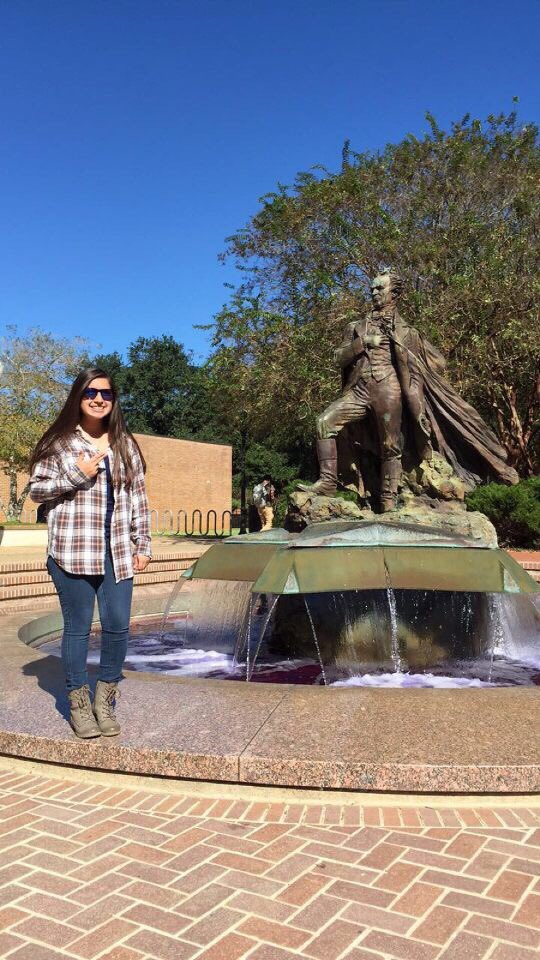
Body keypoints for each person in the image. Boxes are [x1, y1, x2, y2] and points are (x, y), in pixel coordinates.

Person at [300, 270, 517, 510]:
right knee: (324, 422)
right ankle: (328, 482)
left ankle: (388, 500)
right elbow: (338, 358)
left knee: (390, 445)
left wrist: (417, 404)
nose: (373, 292)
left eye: (379, 288)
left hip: (388, 389)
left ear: (395, 293)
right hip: (359, 389)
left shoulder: (408, 332)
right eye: (372, 288)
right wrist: (362, 343)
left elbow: (426, 368)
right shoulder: (355, 327)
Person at [29, 368, 151, 739]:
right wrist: (77, 474)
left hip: (117, 551)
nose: (98, 399)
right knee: (78, 629)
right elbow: (36, 491)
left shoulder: (125, 444)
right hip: (72, 552)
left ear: (114, 400)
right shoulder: (60, 443)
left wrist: (142, 543)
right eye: (90, 393)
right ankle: (78, 703)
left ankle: (105, 698)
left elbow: (140, 498)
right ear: (78, 397)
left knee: (117, 628)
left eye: (106, 394)